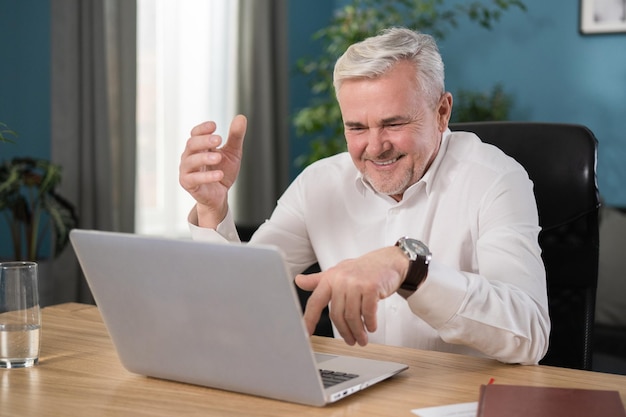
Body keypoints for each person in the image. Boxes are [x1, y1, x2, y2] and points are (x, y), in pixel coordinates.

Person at [179, 27, 550, 365]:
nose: (375, 147)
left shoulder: (496, 178)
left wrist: (411, 268)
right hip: (356, 395)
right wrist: (212, 209)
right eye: (356, 128)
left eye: (393, 123)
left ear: (441, 112)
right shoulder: (319, 183)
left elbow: (530, 335)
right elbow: (240, 297)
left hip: (461, 399)